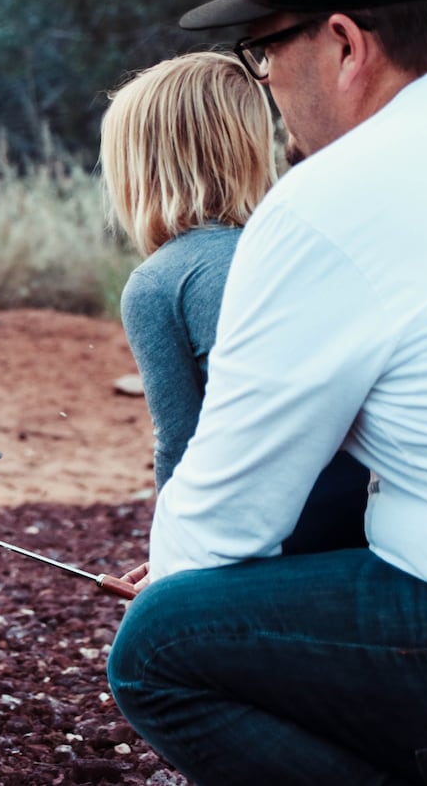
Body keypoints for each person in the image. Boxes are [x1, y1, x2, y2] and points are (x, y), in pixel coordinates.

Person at [104, 0, 427, 783]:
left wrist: (172, 585)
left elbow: (230, 509)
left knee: (162, 646)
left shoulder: (332, 203)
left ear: (347, 44)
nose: (266, 78)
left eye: (266, 48)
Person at [100, 51, 369, 554]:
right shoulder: (303, 243)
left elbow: (181, 446)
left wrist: (174, 561)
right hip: (367, 512)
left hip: (280, 529)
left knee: (155, 629)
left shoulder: (160, 282)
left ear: (139, 169)